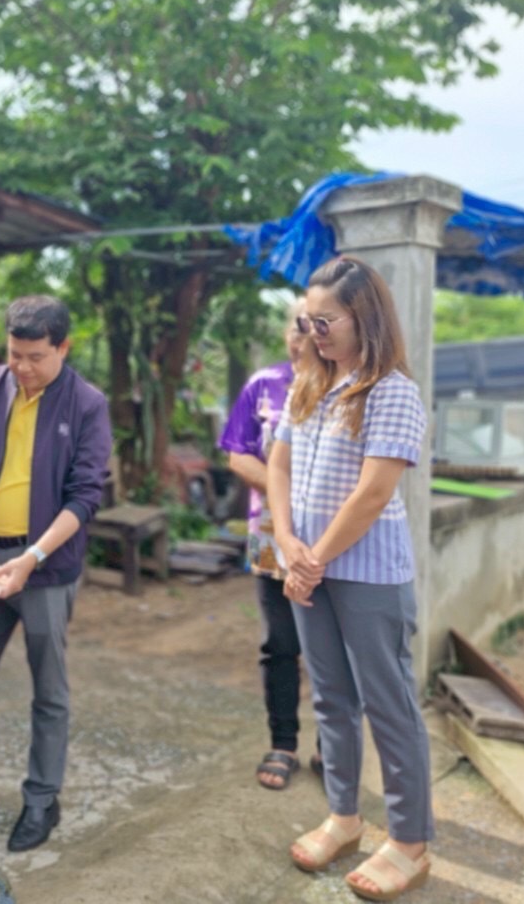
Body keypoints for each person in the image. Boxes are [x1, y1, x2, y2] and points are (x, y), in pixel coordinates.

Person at [267, 256, 433, 902]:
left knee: (389, 705)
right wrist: (287, 542)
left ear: (364, 317)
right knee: (331, 699)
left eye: (325, 321)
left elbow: (372, 494)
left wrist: (311, 558)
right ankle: (344, 816)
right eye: (307, 321)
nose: (313, 333)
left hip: (367, 575)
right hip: (306, 567)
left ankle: (410, 842)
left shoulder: (392, 391)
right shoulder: (309, 382)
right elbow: (278, 466)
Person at [0, 295, 112, 852]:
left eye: (35, 356)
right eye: (14, 354)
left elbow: (85, 496)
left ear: (63, 348)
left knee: (49, 688)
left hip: (45, 568)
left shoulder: (87, 404)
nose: (22, 367)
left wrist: (33, 558)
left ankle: (42, 798)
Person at [219, 301, 323, 790]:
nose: (300, 340)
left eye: (312, 330)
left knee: (330, 644)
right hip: (269, 534)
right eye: (295, 329)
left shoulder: (344, 387)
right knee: (279, 642)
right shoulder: (264, 384)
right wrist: (285, 493)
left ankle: (331, 746)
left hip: (330, 533)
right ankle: (283, 743)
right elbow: (237, 454)